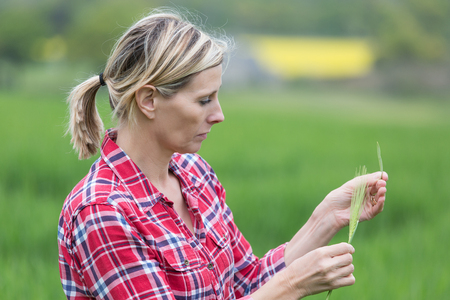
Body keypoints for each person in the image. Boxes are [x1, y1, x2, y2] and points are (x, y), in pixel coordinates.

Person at [58, 9, 388, 300]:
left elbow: (246, 283)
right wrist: (293, 285)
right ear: (148, 100)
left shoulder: (195, 173)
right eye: (204, 100)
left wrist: (325, 219)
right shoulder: (102, 212)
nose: (218, 114)